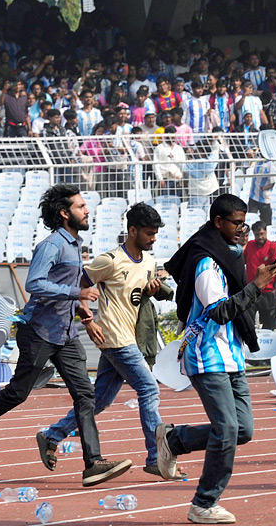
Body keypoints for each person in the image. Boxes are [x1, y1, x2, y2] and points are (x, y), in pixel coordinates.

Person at [0, 185, 133, 488]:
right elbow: (35, 283)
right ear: (64, 213)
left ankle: (93, 463)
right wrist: (77, 292)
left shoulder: (73, 244)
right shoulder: (52, 245)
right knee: (18, 393)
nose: (87, 211)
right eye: (81, 206)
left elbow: (68, 283)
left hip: (66, 334)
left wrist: (81, 309)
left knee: (85, 395)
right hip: (40, 332)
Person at [158, 194, 276, 524]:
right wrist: (257, 286)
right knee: (226, 429)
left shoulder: (230, 256)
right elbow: (221, 312)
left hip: (231, 356)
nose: (243, 229)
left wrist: (259, 282)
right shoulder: (206, 263)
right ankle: (203, 502)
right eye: (237, 223)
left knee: (243, 430)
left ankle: (174, 439)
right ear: (218, 223)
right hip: (206, 355)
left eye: (245, 223)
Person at [36, 203, 178, 478]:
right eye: (149, 233)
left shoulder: (148, 262)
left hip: (130, 336)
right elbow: (76, 285)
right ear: (132, 230)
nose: (153, 239)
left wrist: (153, 289)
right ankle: (155, 456)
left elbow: (147, 294)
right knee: (149, 390)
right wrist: (88, 319)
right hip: (114, 336)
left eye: (156, 233)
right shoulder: (109, 260)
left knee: (98, 400)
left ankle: (52, 435)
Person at [244, 220, 276, 330]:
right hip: (251, 289)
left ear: (266, 232)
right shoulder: (250, 245)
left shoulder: (273, 247)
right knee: (248, 322)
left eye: (261, 234)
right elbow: (243, 260)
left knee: (268, 323)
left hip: (267, 291)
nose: (260, 237)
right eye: (257, 235)